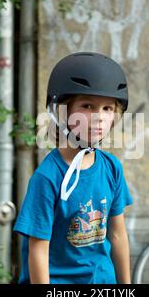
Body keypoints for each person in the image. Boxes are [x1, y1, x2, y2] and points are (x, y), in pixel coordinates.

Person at [14, 52, 133, 284]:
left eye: (108, 108)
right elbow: (38, 249)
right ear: (62, 111)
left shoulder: (112, 168)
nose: (99, 117)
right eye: (88, 106)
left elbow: (117, 235)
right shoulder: (47, 177)